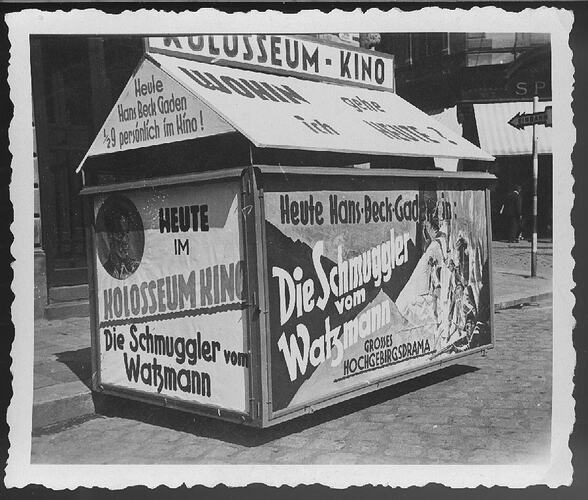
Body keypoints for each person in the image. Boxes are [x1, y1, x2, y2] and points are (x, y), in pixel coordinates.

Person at [103, 212, 140, 280]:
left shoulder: (136, 267)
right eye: (120, 234)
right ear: (110, 237)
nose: (125, 240)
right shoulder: (104, 271)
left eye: (127, 234)